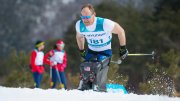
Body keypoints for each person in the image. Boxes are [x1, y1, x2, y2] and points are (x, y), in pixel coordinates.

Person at [75, 4, 128, 92]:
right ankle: (84, 87)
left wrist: (123, 48)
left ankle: (100, 88)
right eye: (83, 17)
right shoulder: (79, 25)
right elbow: (79, 37)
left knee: (97, 67)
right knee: (85, 67)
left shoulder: (104, 23)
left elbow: (121, 31)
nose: (85, 20)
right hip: (91, 51)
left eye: (87, 16)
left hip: (105, 52)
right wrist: (81, 50)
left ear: (94, 14)